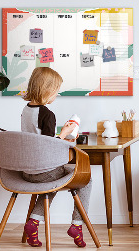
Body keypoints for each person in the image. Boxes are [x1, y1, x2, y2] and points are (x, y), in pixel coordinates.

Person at [21, 67, 91, 248]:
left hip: (27, 171)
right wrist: (65, 133)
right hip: (44, 171)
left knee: (51, 182)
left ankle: (33, 223)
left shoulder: (26, 110)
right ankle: (77, 225)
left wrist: (60, 135)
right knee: (86, 179)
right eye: (56, 91)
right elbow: (49, 146)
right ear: (46, 90)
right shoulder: (47, 114)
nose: (56, 95)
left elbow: (38, 140)